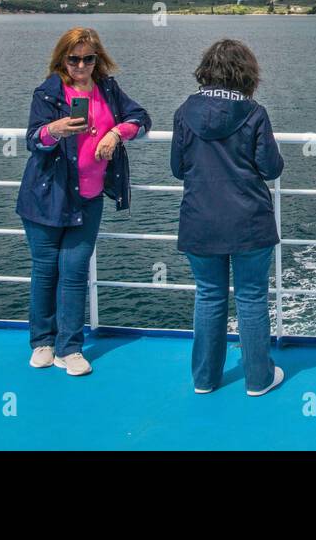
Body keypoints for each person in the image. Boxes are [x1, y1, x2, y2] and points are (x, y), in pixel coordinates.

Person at [15, 27, 151, 376]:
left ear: (97, 59)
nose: (80, 65)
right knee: (46, 272)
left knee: (74, 273)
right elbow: (33, 139)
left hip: (88, 200)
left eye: (87, 59)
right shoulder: (48, 93)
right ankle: (42, 342)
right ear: (62, 59)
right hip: (47, 197)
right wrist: (54, 130)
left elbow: (141, 119)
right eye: (73, 59)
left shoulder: (108, 88)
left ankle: (70, 349)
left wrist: (116, 132)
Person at [171, 38, 285, 396]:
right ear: (246, 74)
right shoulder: (254, 113)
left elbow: (178, 168)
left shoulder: (184, 112)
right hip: (248, 221)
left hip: (200, 219)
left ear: (206, 71)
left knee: (209, 296)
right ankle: (258, 379)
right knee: (251, 298)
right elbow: (270, 168)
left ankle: (205, 379)